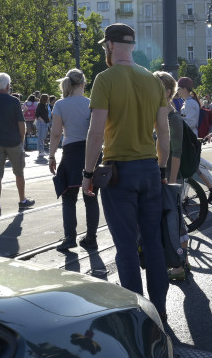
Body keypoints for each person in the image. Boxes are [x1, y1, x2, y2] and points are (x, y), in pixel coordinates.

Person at [82, 23, 170, 320]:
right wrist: (162, 168)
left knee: (126, 248)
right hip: (149, 169)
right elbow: (165, 133)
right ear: (131, 45)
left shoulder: (104, 79)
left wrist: (87, 173)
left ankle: (138, 314)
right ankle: (159, 309)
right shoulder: (153, 81)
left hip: (119, 172)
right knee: (153, 243)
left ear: (109, 46)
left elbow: (96, 133)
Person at [49, 69, 99, 252]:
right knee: (91, 197)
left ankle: (70, 238)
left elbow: (55, 134)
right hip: (91, 152)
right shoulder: (92, 103)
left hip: (70, 153)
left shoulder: (60, 105)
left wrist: (51, 156)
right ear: (84, 84)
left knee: (68, 198)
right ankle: (91, 239)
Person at [0, 73, 34, 216]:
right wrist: (22, 139)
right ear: (8, 86)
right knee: (19, 172)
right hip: (13, 141)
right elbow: (21, 123)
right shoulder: (14, 101)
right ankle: (22, 200)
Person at [156, 71, 191, 281]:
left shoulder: (173, 118)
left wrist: (172, 184)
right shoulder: (159, 114)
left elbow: (176, 154)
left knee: (176, 222)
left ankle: (180, 266)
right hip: (162, 175)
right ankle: (182, 261)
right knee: (172, 221)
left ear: (167, 91)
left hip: (171, 177)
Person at [35, 94, 51, 160]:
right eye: (47, 98)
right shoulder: (40, 105)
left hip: (45, 122)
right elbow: (37, 114)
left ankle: (41, 150)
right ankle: (40, 151)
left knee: (43, 136)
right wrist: (42, 120)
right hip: (42, 122)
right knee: (41, 137)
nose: (48, 99)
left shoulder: (45, 105)